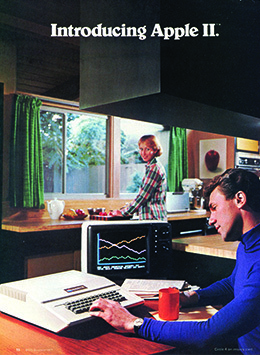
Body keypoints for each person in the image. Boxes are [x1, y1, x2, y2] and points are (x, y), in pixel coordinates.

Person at [90, 168, 260, 354]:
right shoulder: (247, 244)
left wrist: (133, 323)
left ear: (240, 199)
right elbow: (233, 283)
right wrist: (192, 297)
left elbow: (208, 333)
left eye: (214, 208)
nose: (210, 220)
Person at [110, 134, 167, 221]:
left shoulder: (154, 168)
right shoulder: (152, 166)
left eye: (147, 149)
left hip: (152, 218)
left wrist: (124, 212)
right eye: (141, 149)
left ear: (155, 150)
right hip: (153, 218)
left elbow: (143, 196)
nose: (143, 153)